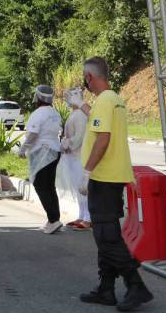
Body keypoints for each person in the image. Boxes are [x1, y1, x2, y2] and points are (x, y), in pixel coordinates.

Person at [78, 57, 153, 311]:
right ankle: (106, 289)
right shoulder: (114, 100)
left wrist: (86, 171)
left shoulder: (104, 101)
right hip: (113, 176)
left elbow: (103, 140)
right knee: (104, 235)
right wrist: (82, 107)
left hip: (103, 177)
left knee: (107, 236)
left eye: (84, 77)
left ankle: (136, 284)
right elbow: (101, 124)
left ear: (89, 77)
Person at [19, 85, 62, 234]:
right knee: (50, 186)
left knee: (40, 186)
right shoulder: (55, 113)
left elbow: (32, 134)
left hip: (42, 152)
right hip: (55, 151)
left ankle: (53, 220)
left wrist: (23, 149)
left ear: (38, 97)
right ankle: (54, 218)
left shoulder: (38, 114)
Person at [57, 87, 91, 230]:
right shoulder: (75, 114)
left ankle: (88, 218)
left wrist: (67, 144)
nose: (66, 101)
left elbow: (79, 137)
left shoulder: (79, 115)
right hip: (73, 156)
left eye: (68, 98)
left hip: (79, 156)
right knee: (78, 189)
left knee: (83, 189)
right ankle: (82, 215)